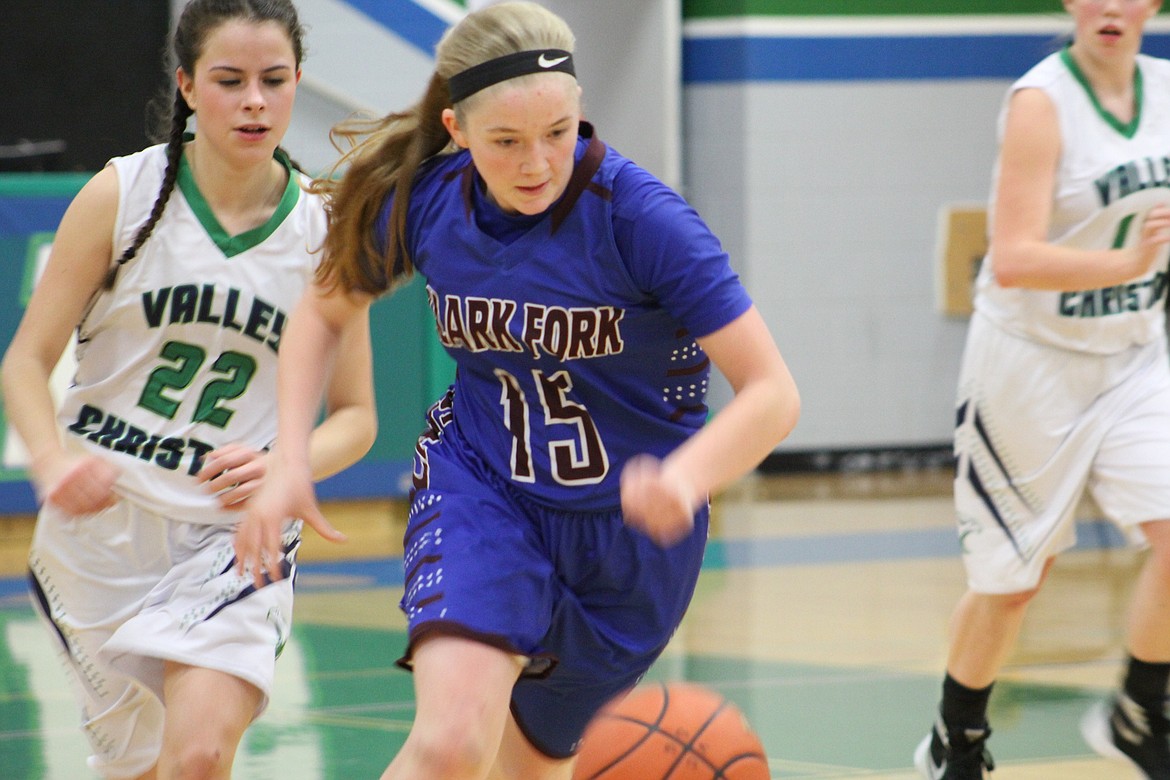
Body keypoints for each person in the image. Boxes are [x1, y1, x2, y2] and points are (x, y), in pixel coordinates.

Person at [237, 2, 800, 778]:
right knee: (449, 741)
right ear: (458, 130)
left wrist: (687, 477)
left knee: (523, 770)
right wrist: (289, 458)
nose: (537, 163)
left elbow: (773, 393)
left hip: (627, 540)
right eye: (506, 141)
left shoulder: (644, 222)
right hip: (484, 488)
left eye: (558, 134)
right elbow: (323, 311)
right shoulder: (432, 200)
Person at [0, 0, 376, 777]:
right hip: (102, 538)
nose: (254, 102)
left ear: (298, 82)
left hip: (233, 535)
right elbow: (26, 361)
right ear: (187, 85)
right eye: (230, 80)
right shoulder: (123, 197)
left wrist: (289, 465)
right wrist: (49, 460)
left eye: (274, 81)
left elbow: (358, 416)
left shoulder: (324, 232)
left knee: (201, 754)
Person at [914, 1, 1170, 778]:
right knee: (1014, 583)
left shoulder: (1165, 90)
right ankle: (956, 739)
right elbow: (1017, 255)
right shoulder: (1040, 102)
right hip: (1030, 364)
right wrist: (1126, 266)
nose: (1111, 6)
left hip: (1132, 354)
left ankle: (1141, 711)